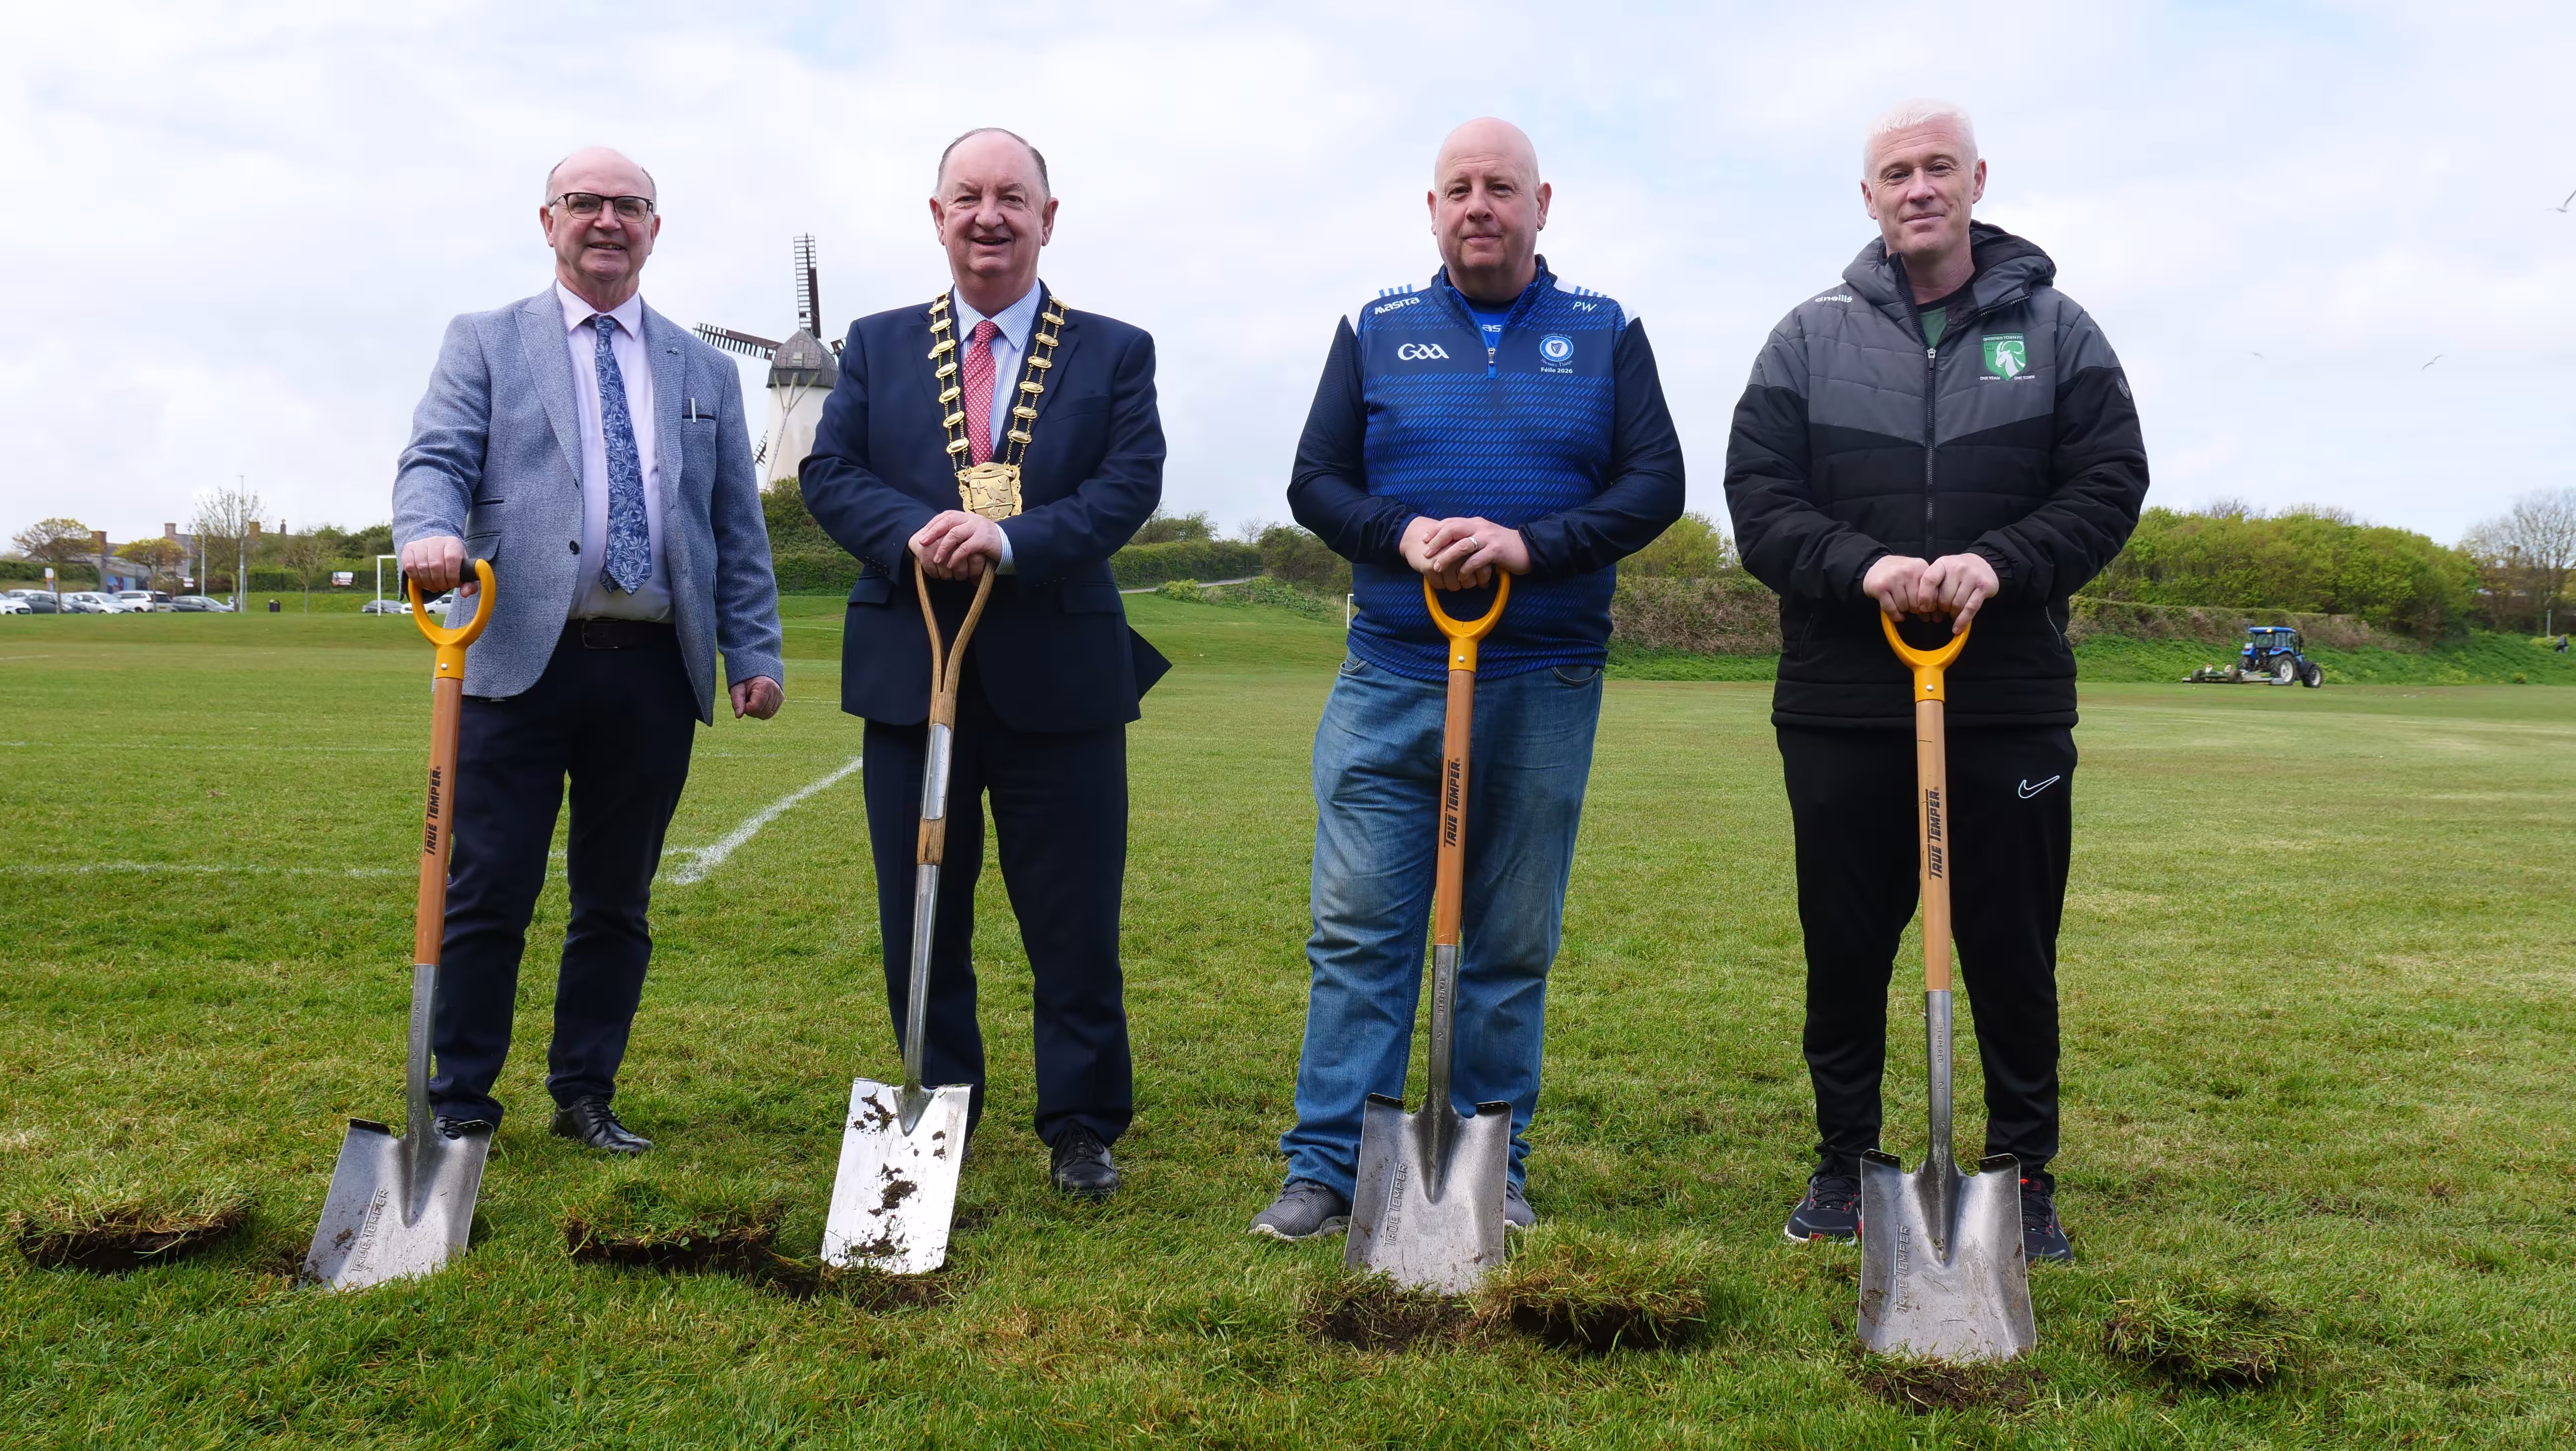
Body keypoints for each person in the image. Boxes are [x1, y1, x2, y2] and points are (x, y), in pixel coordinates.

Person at [1722, 100, 2148, 1262]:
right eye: (1895, 171)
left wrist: (1999, 564)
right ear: (1868, 196)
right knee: (1847, 944)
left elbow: (2110, 482)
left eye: (1938, 168)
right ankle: (1847, 1164)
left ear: (1976, 182)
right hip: (1844, 700)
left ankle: (2021, 1174)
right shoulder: (1807, 339)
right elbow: (1759, 502)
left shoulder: (2058, 332)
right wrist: (1862, 566)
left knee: (2011, 942)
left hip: (2005, 695)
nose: (1918, 186)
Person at [1251, 118, 1685, 1241]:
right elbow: (1314, 481)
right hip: (1392, 669)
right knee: (1359, 925)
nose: (1479, 205)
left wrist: (1530, 545)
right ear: (1431, 208)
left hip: (1543, 676)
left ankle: (1498, 1159)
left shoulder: (1604, 332)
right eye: (1459, 189)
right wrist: (1400, 534)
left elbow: (1654, 486)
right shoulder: (1378, 328)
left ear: (1545, 204)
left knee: (1509, 934)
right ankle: (1326, 1165)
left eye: (1502, 187)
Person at [393, 146, 785, 1155]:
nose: (607, 220)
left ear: (655, 227)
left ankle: (586, 1091)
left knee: (617, 897)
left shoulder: (700, 367)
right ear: (548, 220)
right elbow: (435, 458)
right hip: (517, 655)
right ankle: (463, 1099)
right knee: (489, 887)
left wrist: (755, 648)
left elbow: (734, 523)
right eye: (586, 203)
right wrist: (427, 534)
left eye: (629, 206)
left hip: (653, 670)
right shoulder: (485, 340)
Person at [799, 128, 1168, 1200]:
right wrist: (916, 528)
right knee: (920, 909)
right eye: (968, 196)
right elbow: (831, 474)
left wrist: (1009, 539)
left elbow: (1128, 483)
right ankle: (938, 1111)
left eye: (1014, 196)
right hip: (915, 673)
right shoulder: (873, 344)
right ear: (937, 214)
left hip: (1063, 679)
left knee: (1074, 915)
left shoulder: (1114, 349)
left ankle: (1083, 1124)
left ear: (1049, 217)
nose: (989, 215)